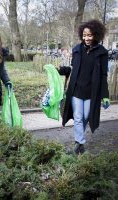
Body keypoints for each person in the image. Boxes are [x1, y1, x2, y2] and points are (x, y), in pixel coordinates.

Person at [59, 19, 110, 154]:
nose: (86, 38)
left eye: (90, 35)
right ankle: (79, 143)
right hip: (76, 90)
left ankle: (79, 144)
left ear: (96, 35)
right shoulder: (77, 49)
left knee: (86, 116)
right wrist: (62, 70)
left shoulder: (102, 53)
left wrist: (105, 95)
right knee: (77, 116)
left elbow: (103, 75)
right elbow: (73, 68)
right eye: (84, 35)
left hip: (91, 92)